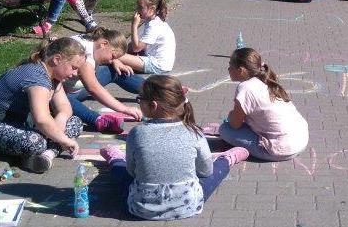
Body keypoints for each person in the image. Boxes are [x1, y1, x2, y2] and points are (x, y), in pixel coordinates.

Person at [99, 75, 249, 220]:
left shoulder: (137, 133)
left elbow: (131, 172)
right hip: (187, 206)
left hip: (142, 209)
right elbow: (206, 171)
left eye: (140, 100)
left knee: (121, 173)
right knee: (214, 174)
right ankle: (227, 159)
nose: (138, 103)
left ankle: (115, 159)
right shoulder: (194, 132)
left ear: (153, 105)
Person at [0, 38, 85, 173]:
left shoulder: (53, 77)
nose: (75, 74)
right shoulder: (36, 77)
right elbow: (42, 119)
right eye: (74, 68)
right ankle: (40, 154)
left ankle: (46, 156)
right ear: (57, 59)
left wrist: (60, 119)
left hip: (18, 122)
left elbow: (65, 107)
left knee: (75, 122)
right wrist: (64, 140)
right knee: (36, 142)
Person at [218, 48, 309, 161]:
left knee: (224, 129)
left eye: (230, 65)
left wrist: (231, 115)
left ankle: (241, 152)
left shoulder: (245, 88)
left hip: (282, 150)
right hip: (301, 139)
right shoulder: (265, 80)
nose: (228, 69)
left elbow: (235, 124)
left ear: (241, 70)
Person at [64, 27, 145, 134]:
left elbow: (108, 57)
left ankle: (155, 89)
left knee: (114, 70)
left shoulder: (93, 43)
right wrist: (125, 109)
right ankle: (98, 120)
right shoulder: (85, 56)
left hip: (75, 89)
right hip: (62, 93)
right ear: (104, 44)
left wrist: (115, 61)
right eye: (112, 56)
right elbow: (94, 89)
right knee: (61, 99)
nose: (111, 59)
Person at [118, 0, 176, 74]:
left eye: (141, 7)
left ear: (152, 8)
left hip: (158, 65)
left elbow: (136, 47)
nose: (137, 10)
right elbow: (135, 45)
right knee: (129, 46)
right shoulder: (151, 21)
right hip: (153, 58)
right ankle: (123, 65)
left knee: (116, 56)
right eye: (137, 6)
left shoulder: (154, 26)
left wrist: (134, 25)